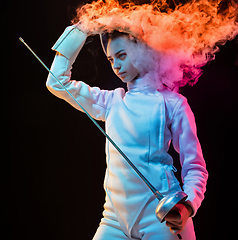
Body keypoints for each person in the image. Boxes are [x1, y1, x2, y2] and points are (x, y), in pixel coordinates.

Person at [46, 22, 208, 240]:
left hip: (160, 217)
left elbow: (195, 166)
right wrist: (80, 30)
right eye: (111, 59)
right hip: (114, 218)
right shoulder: (112, 101)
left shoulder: (174, 103)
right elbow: (56, 82)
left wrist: (187, 206)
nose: (116, 65)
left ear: (144, 51)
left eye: (121, 55)